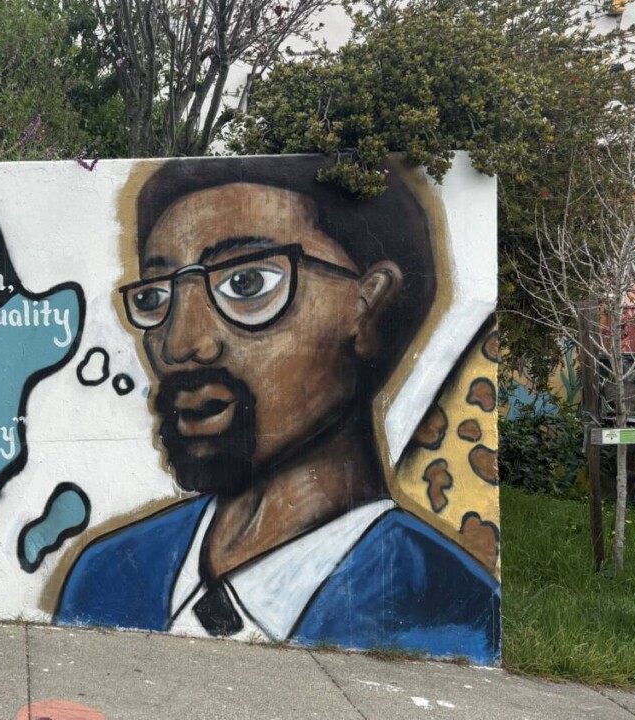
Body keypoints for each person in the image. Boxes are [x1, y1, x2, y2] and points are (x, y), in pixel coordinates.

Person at [54, 156, 501, 665]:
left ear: (368, 308)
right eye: (157, 297)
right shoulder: (109, 575)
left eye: (246, 284)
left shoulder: (446, 612)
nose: (180, 343)